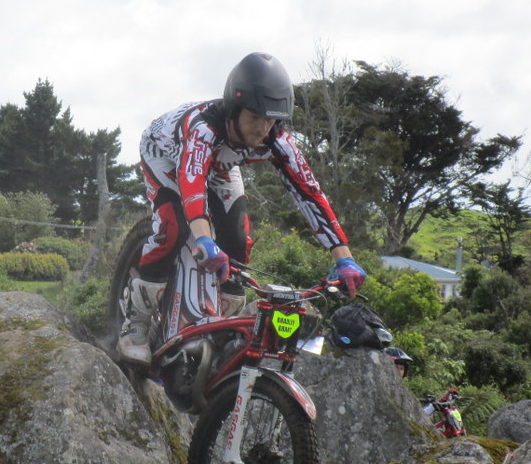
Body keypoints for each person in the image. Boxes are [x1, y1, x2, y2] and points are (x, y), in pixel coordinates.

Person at [117, 51, 367, 364]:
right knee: (174, 226)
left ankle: (222, 326)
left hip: (220, 164)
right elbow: (192, 187)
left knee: (236, 240)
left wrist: (344, 258)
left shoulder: (279, 141)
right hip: (166, 154)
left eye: (270, 119)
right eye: (254, 117)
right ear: (234, 110)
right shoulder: (203, 129)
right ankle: (135, 324)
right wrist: (204, 240)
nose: (263, 128)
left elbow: (309, 194)